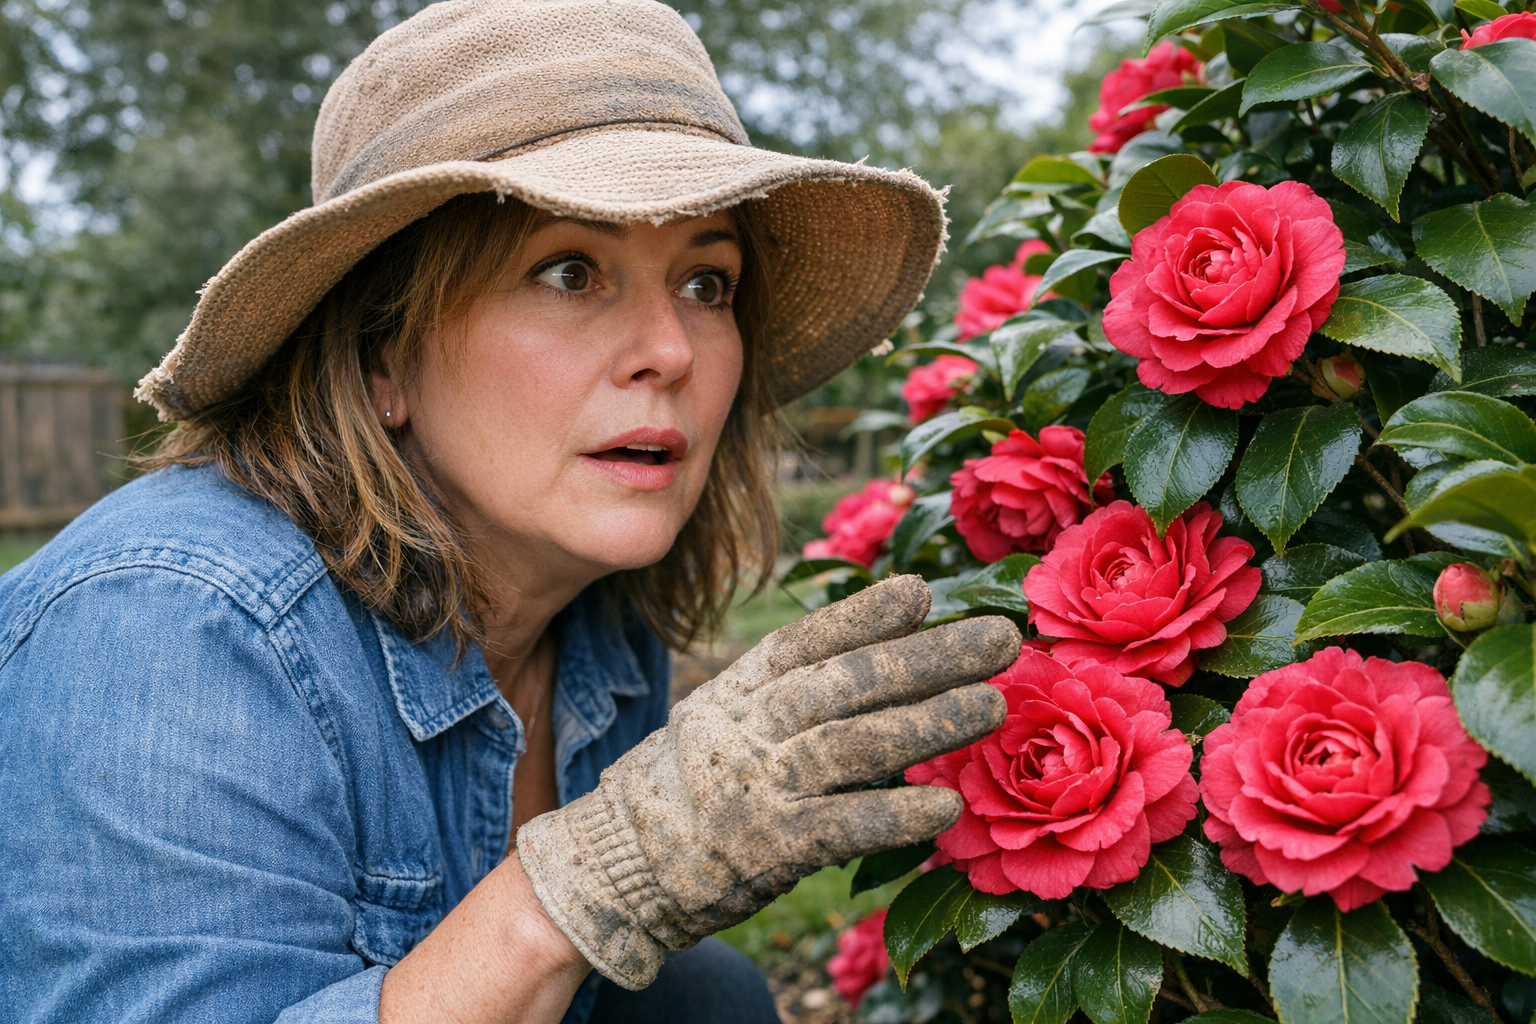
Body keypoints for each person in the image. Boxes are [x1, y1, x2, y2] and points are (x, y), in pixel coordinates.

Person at [0, 2, 1022, 1022]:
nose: (670, 349)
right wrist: (586, 886)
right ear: (381, 356)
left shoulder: (600, 622)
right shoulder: (171, 626)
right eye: (570, 271)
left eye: (708, 282)